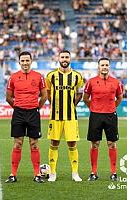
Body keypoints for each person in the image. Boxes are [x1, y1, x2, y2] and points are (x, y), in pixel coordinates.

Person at [5, 51, 47, 183]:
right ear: (19, 62)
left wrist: (36, 108)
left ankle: (37, 175)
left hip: (33, 113)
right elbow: (8, 97)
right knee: (18, 144)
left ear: (31, 61)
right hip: (18, 113)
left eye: (27, 60)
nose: (25, 63)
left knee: (34, 144)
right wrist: (18, 107)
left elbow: (44, 95)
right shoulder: (13, 77)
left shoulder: (38, 76)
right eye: (22, 61)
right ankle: (13, 174)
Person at [46, 50, 83, 182]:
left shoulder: (77, 76)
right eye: (62, 57)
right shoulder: (51, 76)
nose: (64, 59)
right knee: (54, 142)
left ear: (70, 58)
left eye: (67, 57)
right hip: (55, 117)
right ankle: (52, 173)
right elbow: (48, 92)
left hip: (71, 116)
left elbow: (79, 93)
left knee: (72, 143)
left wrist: (73, 105)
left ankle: (75, 173)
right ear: (58, 58)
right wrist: (53, 104)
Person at [83, 57, 123, 181]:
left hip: (110, 115)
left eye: (106, 65)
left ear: (109, 67)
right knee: (95, 144)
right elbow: (85, 98)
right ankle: (93, 172)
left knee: (111, 143)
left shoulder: (116, 82)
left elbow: (119, 98)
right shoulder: (91, 81)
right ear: (98, 67)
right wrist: (94, 108)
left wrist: (111, 108)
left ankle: (114, 172)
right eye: (102, 65)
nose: (104, 67)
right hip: (95, 115)